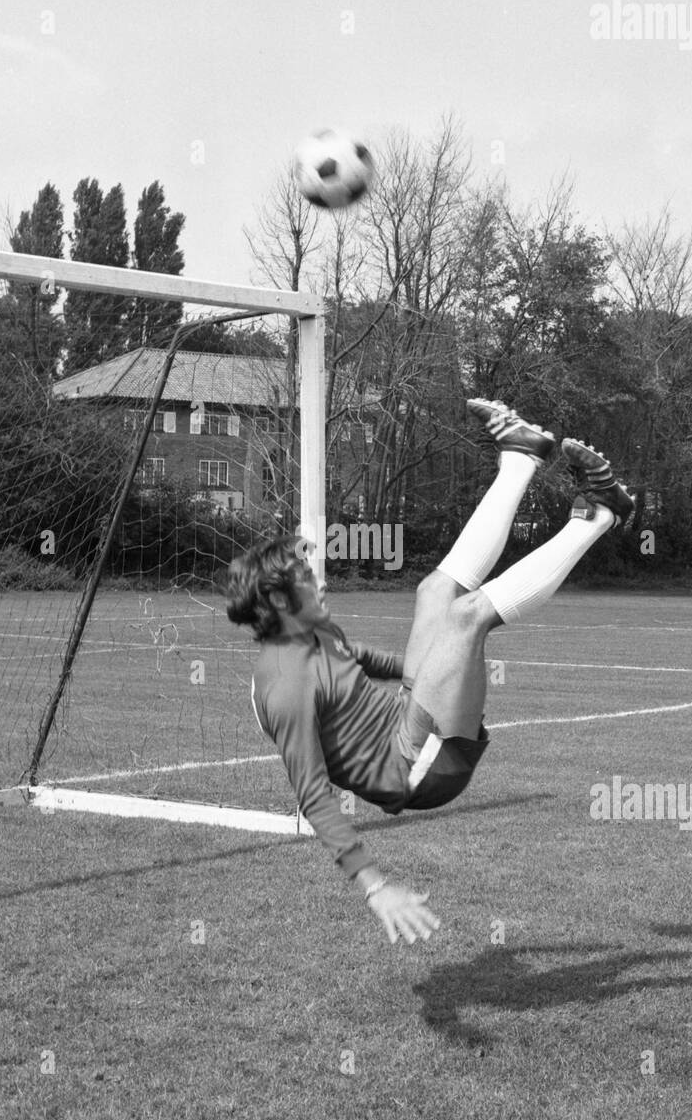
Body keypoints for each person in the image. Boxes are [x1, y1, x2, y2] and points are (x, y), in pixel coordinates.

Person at [224, 398, 634, 945]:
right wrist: (375, 887)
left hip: (411, 718)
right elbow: (313, 793)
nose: (320, 580)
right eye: (305, 575)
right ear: (276, 600)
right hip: (418, 772)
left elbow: (366, 662)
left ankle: (521, 458)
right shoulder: (282, 686)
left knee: (436, 592)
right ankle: (601, 516)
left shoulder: (315, 632)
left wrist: (438, 668)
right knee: (467, 618)